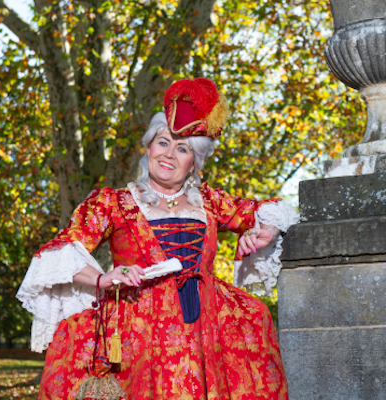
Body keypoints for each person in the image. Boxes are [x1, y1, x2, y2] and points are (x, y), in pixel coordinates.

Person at [17, 78, 299, 400]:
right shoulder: (113, 202)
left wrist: (260, 234)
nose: (169, 154)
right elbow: (59, 252)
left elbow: (268, 212)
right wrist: (103, 277)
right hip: (137, 332)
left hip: (206, 326)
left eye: (183, 148)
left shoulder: (209, 202)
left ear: (194, 163)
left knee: (255, 321)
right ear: (149, 146)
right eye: (162, 142)